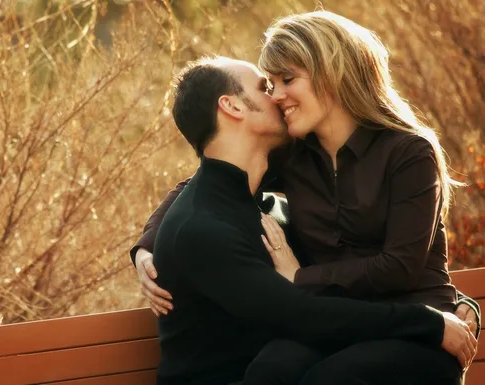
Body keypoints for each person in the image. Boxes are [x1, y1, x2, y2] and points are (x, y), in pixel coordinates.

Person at [131, 11, 481, 385]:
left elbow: (400, 266)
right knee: (272, 370)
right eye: (269, 85)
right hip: (344, 323)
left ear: (330, 73)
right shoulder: (296, 157)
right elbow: (203, 184)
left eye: (286, 80)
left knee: (333, 378)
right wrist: (148, 247)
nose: (277, 96)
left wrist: (301, 276)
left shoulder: (407, 152)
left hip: (417, 323)